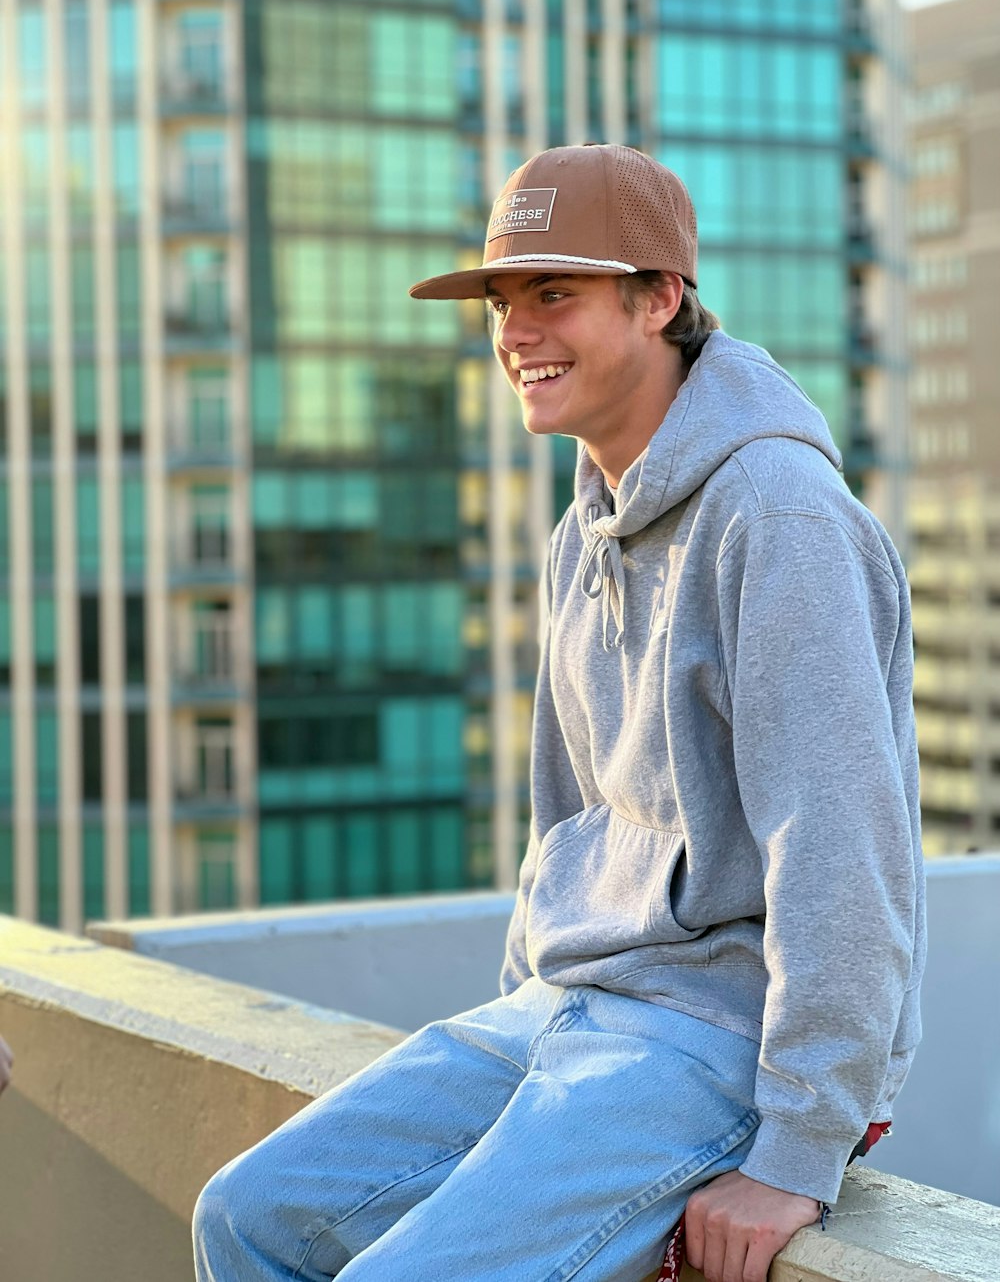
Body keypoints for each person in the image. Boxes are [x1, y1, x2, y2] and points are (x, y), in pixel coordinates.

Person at [193, 144, 924, 1282]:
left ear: (659, 298)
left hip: (715, 1040)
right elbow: (567, 816)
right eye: (501, 300)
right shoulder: (583, 528)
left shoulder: (776, 516)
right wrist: (522, 1037)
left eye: (554, 293)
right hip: (572, 1006)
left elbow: (842, 851)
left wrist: (799, 1148)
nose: (515, 331)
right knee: (246, 1214)